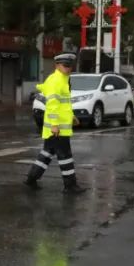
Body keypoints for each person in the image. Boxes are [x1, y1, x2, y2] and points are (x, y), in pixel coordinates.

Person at [24, 52, 85, 194]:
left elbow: (64, 104)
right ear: (56, 65)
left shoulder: (63, 79)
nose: (68, 68)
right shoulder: (56, 80)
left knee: (46, 154)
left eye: (70, 66)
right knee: (65, 156)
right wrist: (54, 125)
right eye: (65, 65)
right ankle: (70, 186)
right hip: (57, 129)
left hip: (57, 128)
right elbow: (52, 105)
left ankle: (31, 179)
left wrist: (72, 117)